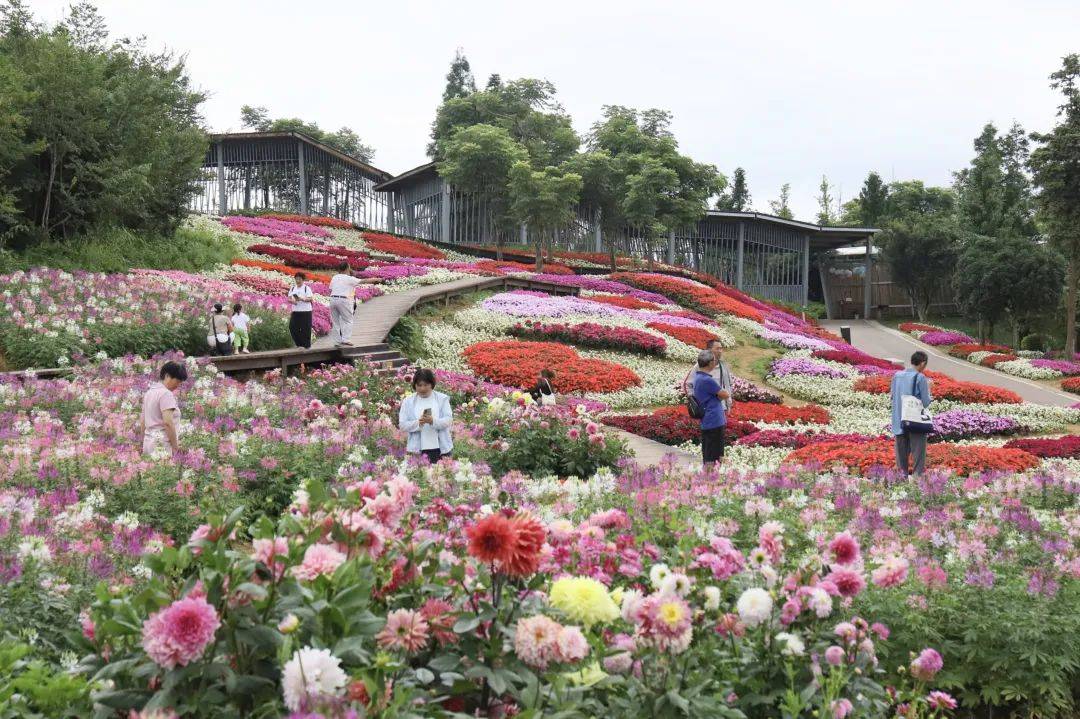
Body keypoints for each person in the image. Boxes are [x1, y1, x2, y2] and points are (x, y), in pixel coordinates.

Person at [398, 368, 453, 464]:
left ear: (431, 384)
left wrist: (433, 421)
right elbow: (402, 425)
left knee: (441, 476)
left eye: (426, 385)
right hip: (417, 449)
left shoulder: (442, 399)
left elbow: (448, 420)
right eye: (419, 385)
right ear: (414, 385)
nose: (422, 388)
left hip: (441, 448)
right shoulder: (408, 401)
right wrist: (418, 423)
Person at [891, 350, 932, 476]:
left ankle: (901, 483)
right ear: (923, 363)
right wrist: (929, 388)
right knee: (918, 456)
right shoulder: (920, 377)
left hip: (899, 421)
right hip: (914, 422)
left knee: (901, 459)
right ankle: (916, 482)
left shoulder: (897, 376)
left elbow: (892, 396)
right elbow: (925, 402)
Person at [138, 361, 188, 456]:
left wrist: (142, 442)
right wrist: (175, 447)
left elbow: (143, 421)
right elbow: (168, 422)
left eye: (180, 382)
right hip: (162, 446)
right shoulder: (166, 394)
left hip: (148, 442)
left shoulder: (150, 392)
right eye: (177, 381)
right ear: (167, 376)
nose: (178, 385)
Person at [328, 261, 381, 347]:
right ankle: (346, 340)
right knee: (348, 320)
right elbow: (364, 281)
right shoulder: (349, 278)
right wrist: (377, 279)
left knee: (335, 321)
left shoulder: (335, 277)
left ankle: (337, 341)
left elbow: (330, 289)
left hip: (333, 299)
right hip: (344, 300)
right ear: (347, 268)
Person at [692, 350, 729, 466]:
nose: (715, 362)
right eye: (714, 360)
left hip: (707, 420)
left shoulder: (698, 377)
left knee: (709, 451)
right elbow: (725, 394)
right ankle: (710, 478)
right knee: (714, 454)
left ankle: (709, 476)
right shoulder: (707, 380)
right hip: (714, 420)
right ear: (710, 363)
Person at [682, 338, 733, 411]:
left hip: (723, 408)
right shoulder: (700, 366)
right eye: (717, 349)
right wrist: (694, 400)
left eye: (721, 349)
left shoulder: (724, 366)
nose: (720, 351)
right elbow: (687, 384)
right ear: (709, 350)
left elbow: (729, 384)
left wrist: (729, 401)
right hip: (707, 409)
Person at [287, 273, 314, 349]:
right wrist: (293, 301)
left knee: (305, 328)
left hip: (305, 311)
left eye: (299, 279)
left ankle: (306, 346)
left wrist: (302, 299)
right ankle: (299, 344)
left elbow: (310, 298)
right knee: (292, 327)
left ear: (303, 280)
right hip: (296, 311)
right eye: (296, 279)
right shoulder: (293, 288)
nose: (298, 280)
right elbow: (289, 298)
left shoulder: (306, 288)